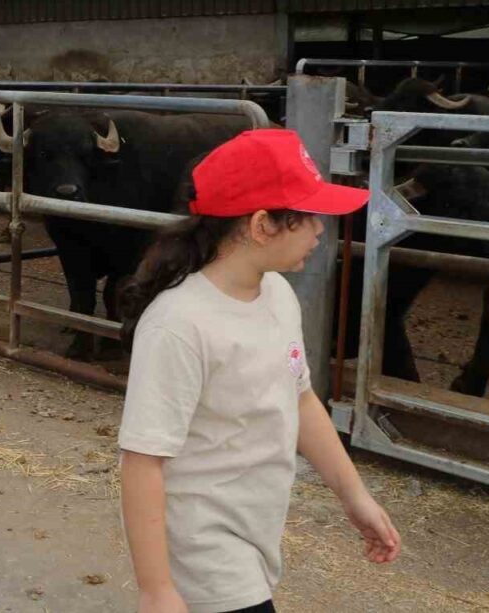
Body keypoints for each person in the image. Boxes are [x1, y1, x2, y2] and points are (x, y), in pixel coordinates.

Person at [117, 129, 401, 613]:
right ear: (262, 224)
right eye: (307, 217)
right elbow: (142, 460)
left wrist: (355, 497)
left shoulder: (276, 295)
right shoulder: (179, 324)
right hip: (204, 549)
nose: (319, 230)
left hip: (255, 533)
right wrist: (157, 589)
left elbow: (300, 397)